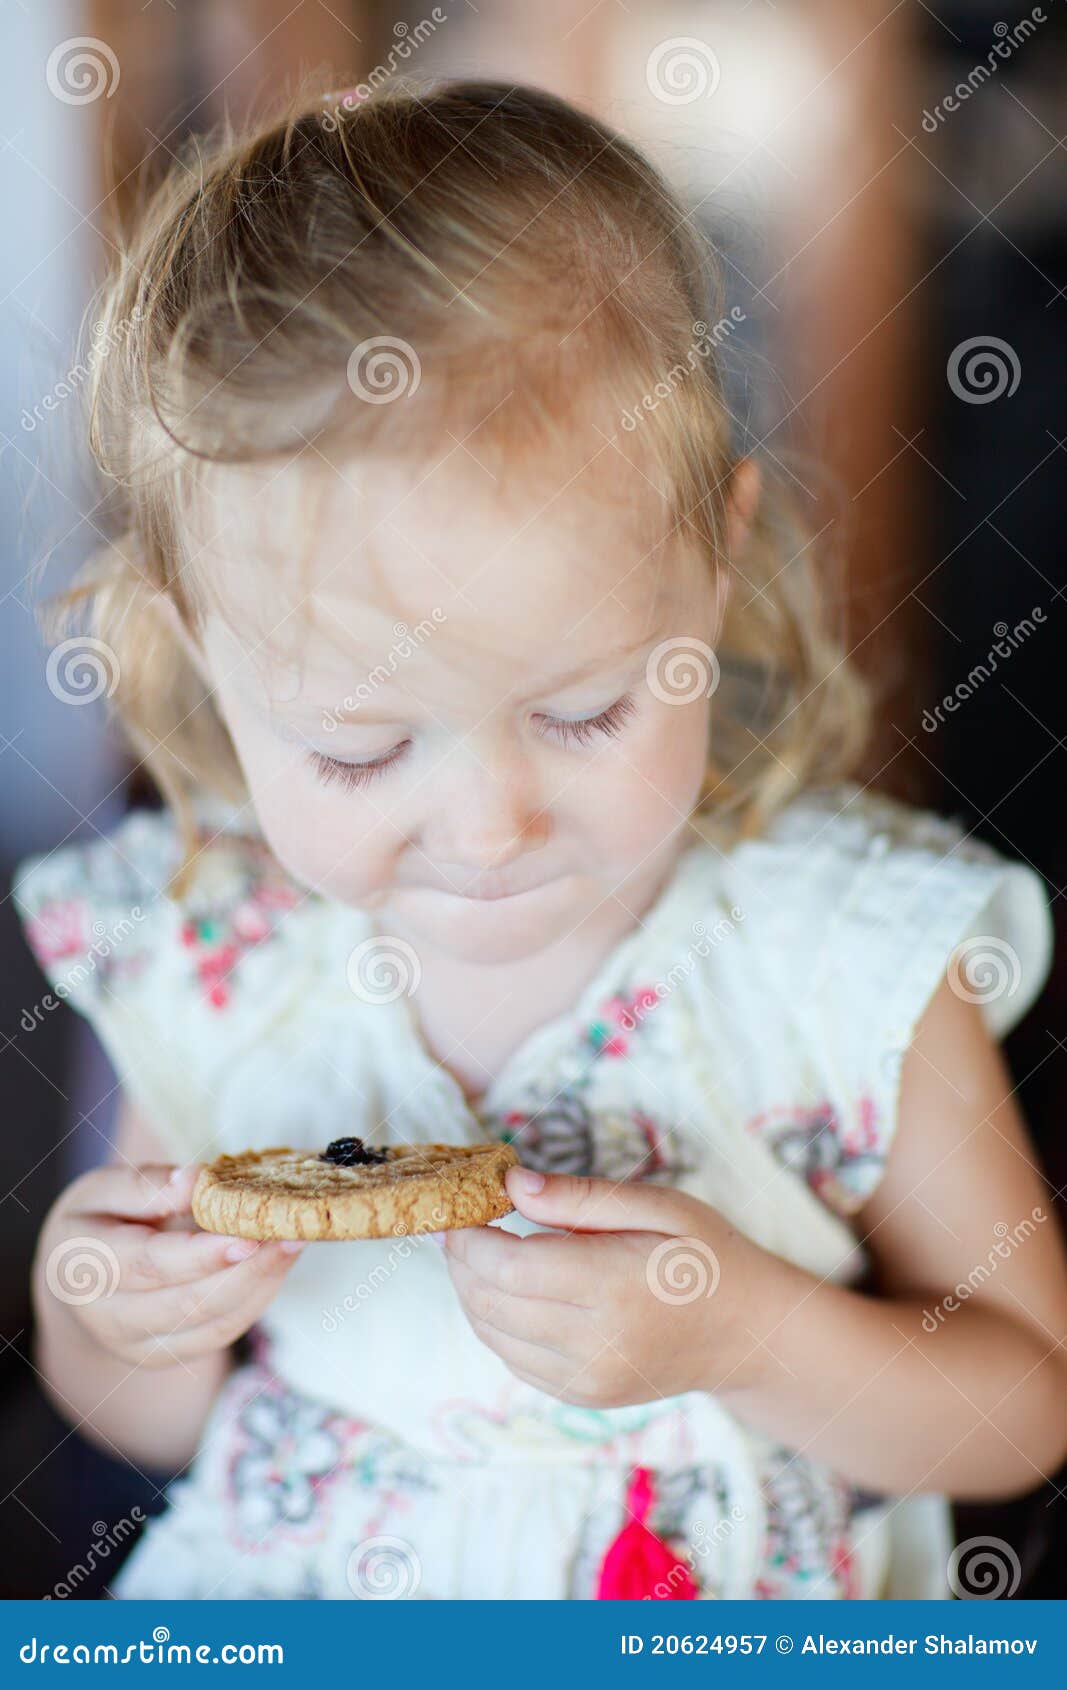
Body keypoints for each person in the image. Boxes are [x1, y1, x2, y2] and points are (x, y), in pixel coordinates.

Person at [13, 80, 1066, 1601]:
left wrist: (746, 1329)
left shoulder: (836, 951)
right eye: (360, 748)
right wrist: (110, 1310)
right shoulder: (220, 944)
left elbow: (1018, 1401)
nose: (491, 824)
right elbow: (150, 1418)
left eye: (583, 710)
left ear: (711, 564)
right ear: (205, 658)